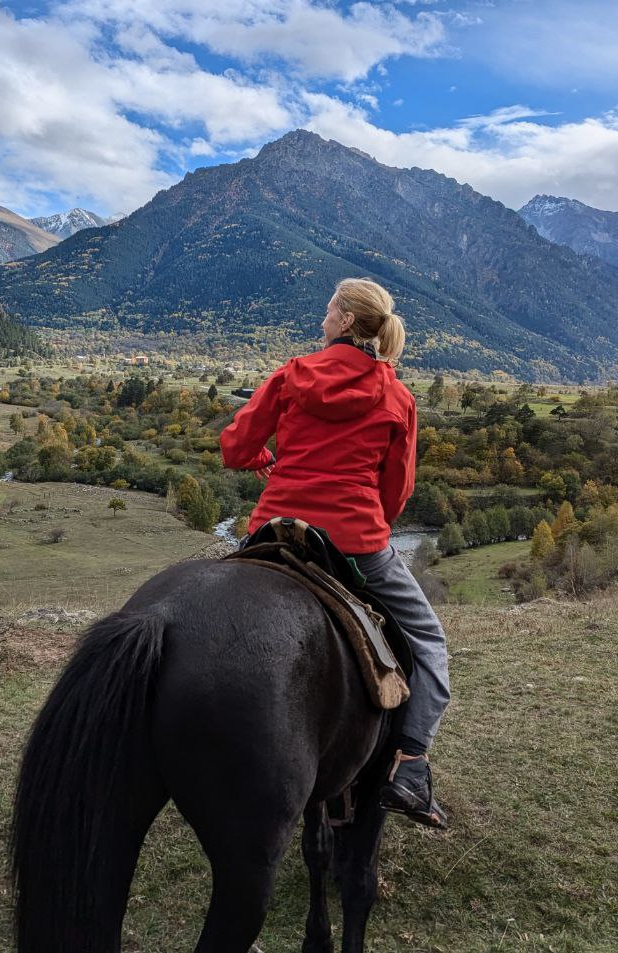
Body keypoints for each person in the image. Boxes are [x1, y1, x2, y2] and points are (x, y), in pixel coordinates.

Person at [219, 277, 450, 829]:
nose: (323, 315)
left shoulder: (292, 374)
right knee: (429, 642)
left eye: (329, 309)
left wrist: (263, 461)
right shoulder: (398, 396)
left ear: (346, 320)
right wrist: (367, 518)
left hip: (275, 528)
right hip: (354, 542)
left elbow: (234, 449)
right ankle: (411, 767)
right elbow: (397, 491)